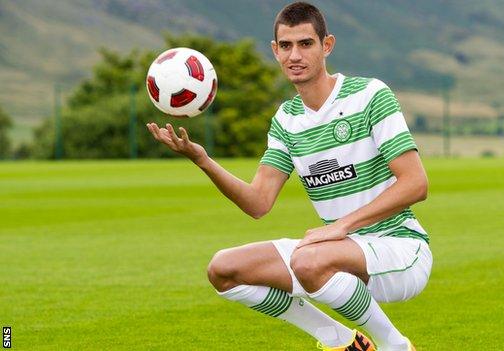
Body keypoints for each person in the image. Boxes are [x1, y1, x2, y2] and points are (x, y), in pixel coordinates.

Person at [146, 2, 432, 350]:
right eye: (285, 46)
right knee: (223, 269)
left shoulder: (370, 96)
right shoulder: (286, 119)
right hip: (332, 251)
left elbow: (416, 184)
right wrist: (202, 159)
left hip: (399, 249)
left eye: (305, 44)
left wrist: (341, 227)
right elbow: (258, 203)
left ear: (327, 46)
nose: (294, 55)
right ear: (275, 51)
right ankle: (339, 340)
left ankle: (394, 346)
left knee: (309, 260)